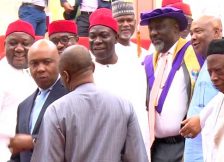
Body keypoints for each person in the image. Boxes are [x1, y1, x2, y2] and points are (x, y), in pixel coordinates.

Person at [30, 45, 148, 162]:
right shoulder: (124, 106)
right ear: (93, 67)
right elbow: (137, 158)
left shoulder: (56, 111)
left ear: (65, 76)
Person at [140, 7, 200, 161]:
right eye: (151, 28)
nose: (153, 33)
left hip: (185, 145)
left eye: (159, 27)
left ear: (176, 28)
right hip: (156, 147)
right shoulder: (148, 61)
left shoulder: (195, 54)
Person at [88, 8, 150, 158]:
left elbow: (141, 111)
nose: (97, 41)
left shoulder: (136, 67)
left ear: (115, 38)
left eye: (103, 35)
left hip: (133, 146)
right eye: (92, 36)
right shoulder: (84, 70)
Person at [9, 39, 68, 162]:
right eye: (34, 63)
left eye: (47, 62)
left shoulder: (71, 96)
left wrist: (33, 141)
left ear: (59, 62)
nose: (40, 68)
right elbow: (18, 157)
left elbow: (76, 141)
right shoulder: (23, 106)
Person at [183, 15, 223, 162]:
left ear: (217, 32)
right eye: (191, 33)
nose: (193, 37)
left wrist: (202, 119)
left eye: (198, 31)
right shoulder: (207, 61)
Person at [0, 20, 36, 162]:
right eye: (13, 43)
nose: (19, 48)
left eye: (25, 43)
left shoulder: (39, 72)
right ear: (4, 45)